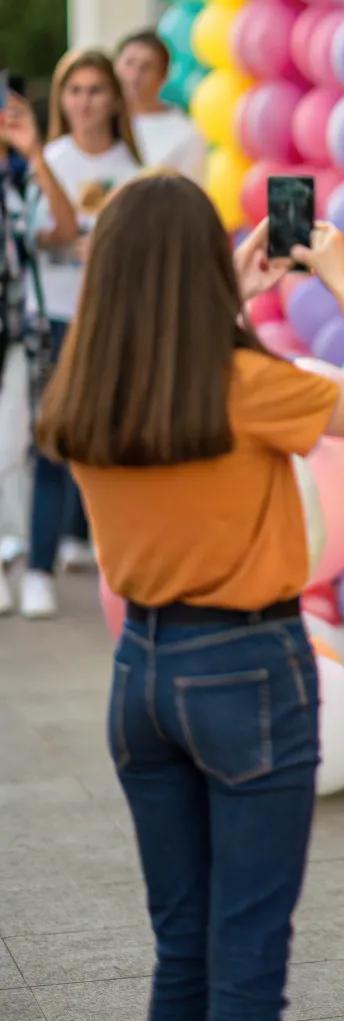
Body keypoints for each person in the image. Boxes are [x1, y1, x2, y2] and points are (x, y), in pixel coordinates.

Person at [37, 173, 344, 1021]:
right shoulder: (248, 383)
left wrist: (227, 300)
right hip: (248, 669)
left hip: (140, 675)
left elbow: (165, 366)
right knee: (247, 964)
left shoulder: (83, 392)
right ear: (203, 263)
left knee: (182, 953)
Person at [19, 49, 141, 619]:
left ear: (115, 98)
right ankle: (38, 570)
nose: (85, 102)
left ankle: (106, 555)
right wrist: (71, 242)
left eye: (96, 90)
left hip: (114, 319)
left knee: (110, 443)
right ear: (61, 100)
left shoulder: (135, 168)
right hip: (58, 317)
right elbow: (36, 235)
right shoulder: (45, 159)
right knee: (51, 445)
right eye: (75, 91)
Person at [0, 92, 77, 613]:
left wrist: (35, 155)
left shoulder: (25, 179)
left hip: (28, 328)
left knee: (45, 444)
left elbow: (65, 230)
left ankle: (38, 569)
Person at [115, 30, 207, 182]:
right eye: (129, 63)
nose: (135, 75)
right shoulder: (98, 121)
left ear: (163, 76)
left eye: (146, 67)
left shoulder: (185, 133)